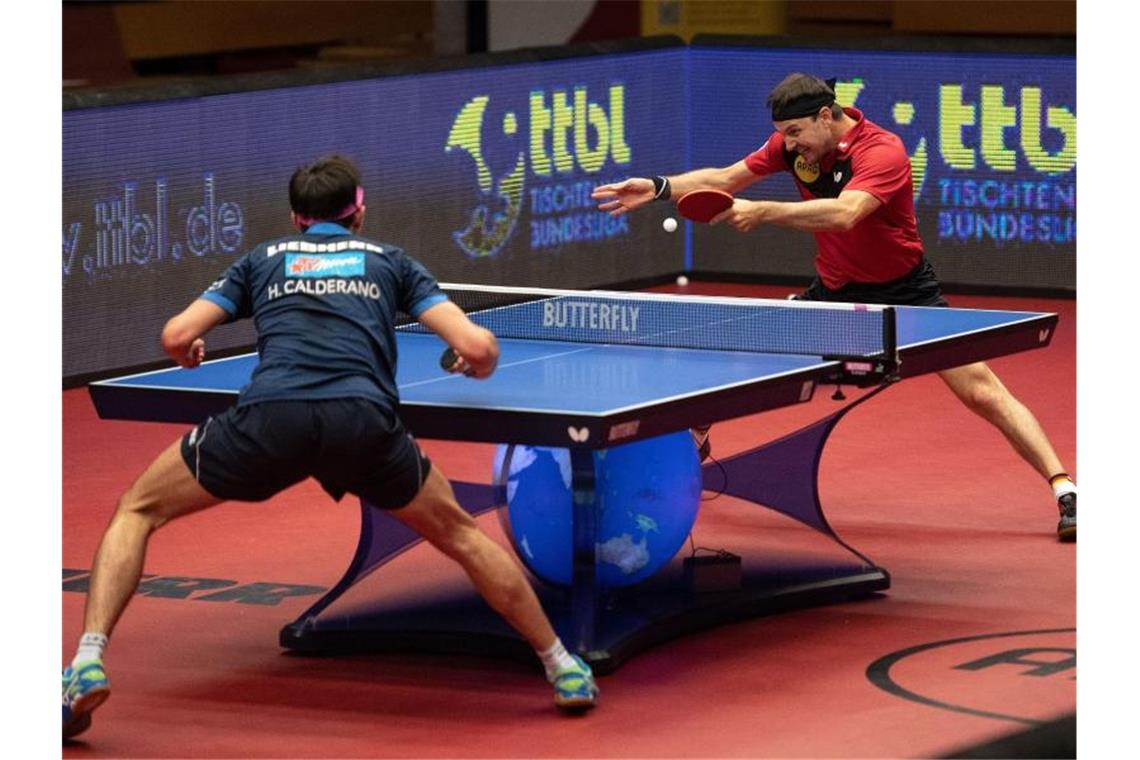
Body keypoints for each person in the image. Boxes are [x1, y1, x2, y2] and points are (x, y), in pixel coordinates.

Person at [63, 155, 597, 740]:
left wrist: (187, 351)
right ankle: (562, 666)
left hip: (271, 419)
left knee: (137, 510)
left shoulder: (260, 260)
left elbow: (176, 335)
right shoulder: (391, 262)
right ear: (359, 213)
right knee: (462, 536)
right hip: (362, 423)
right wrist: (475, 364)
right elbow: (479, 346)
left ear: (296, 218)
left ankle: (87, 658)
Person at [592, 72, 1076, 542]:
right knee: (729, 352)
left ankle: (1065, 490)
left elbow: (846, 213)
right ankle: (691, 447)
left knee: (982, 392)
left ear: (826, 116)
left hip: (904, 290)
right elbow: (725, 178)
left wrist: (764, 211)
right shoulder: (792, 146)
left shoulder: (882, 151)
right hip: (835, 291)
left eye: (796, 133)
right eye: (783, 135)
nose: (789, 144)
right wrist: (657, 187)